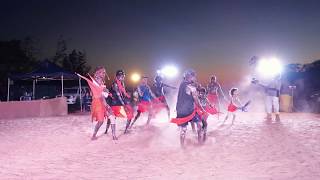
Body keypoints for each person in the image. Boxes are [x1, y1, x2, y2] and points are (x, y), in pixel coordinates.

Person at [76, 66, 117, 140]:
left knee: (112, 116)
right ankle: (94, 135)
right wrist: (104, 90)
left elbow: (103, 93)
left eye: (105, 72)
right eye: (103, 72)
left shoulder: (101, 81)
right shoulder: (96, 80)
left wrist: (106, 92)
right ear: (98, 72)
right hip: (98, 103)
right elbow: (98, 89)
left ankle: (114, 136)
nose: (104, 73)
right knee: (101, 121)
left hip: (103, 101)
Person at [171, 69, 206, 147]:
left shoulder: (181, 84)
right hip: (190, 111)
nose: (195, 78)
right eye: (194, 76)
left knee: (183, 130)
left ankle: (182, 147)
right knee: (199, 124)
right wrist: (204, 110)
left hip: (180, 110)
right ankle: (200, 143)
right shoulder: (192, 87)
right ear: (190, 77)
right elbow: (197, 101)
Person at [105, 70, 134, 134]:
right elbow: (118, 95)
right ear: (117, 76)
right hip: (115, 103)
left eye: (123, 76)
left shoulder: (121, 83)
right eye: (121, 76)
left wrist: (127, 95)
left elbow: (123, 93)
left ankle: (126, 130)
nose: (123, 77)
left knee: (130, 114)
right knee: (112, 118)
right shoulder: (115, 84)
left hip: (118, 102)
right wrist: (124, 104)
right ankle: (106, 130)